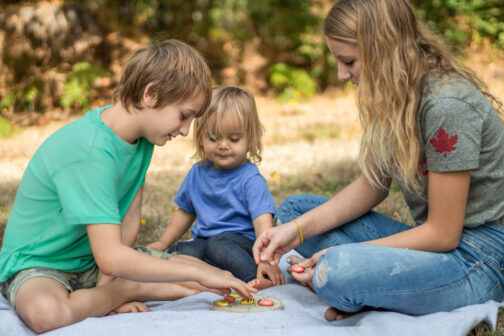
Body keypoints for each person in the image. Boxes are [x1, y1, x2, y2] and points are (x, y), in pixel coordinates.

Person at [253, 0, 504, 322]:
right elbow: (372, 185)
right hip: (437, 246)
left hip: (481, 258)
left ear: (384, 51)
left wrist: (349, 254)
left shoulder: (446, 105)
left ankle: (367, 286)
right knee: (293, 213)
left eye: (349, 61)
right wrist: (296, 231)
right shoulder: (394, 96)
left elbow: (443, 233)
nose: (343, 75)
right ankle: (382, 288)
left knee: (337, 272)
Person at [0, 40, 256, 334]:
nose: (186, 130)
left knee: (212, 282)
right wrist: (118, 292)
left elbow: (129, 222)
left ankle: (114, 290)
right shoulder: (90, 153)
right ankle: (126, 289)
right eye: (184, 115)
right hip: (40, 265)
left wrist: (107, 281)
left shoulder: (140, 139)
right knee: (47, 314)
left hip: (94, 262)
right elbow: (111, 257)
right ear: (150, 94)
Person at [147, 86, 284, 289]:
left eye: (234, 139)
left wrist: (265, 258)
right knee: (177, 252)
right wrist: (162, 243)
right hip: (205, 243)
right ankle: (218, 277)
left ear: (250, 140)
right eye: (213, 137)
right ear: (201, 138)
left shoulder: (250, 179)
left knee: (219, 245)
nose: (223, 145)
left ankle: (253, 280)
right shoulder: (197, 173)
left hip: (242, 247)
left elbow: (263, 223)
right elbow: (185, 211)